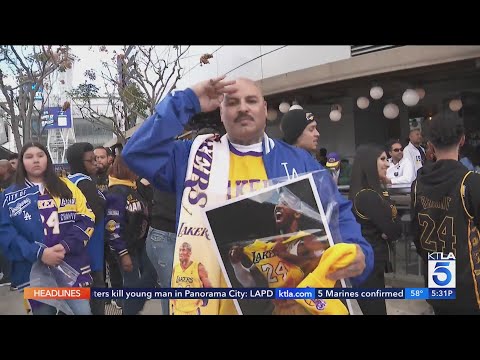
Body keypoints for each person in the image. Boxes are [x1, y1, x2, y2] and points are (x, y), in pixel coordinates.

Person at [122, 75, 373, 314]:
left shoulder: (298, 161)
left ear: (264, 109)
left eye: (251, 101)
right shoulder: (190, 156)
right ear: (221, 112)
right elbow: (136, 153)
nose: (243, 108)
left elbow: (337, 212)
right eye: (232, 102)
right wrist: (187, 100)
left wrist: (359, 251)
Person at [0, 142, 95, 315]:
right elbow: (6, 233)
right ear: (22, 162)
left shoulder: (68, 187)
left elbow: (87, 218)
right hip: (32, 273)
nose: (35, 160)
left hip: (72, 267)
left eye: (40, 155)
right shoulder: (8, 196)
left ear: (47, 159)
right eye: (29, 157)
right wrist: (40, 253)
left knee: (83, 312)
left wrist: (66, 245)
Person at [228, 188, 344, 315]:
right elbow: (250, 282)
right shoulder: (268, 248)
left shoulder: (307, 239)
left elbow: (327, 273)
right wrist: (236, 264)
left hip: (307, 309)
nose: (277, 206)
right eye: (276, 204)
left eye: (284, 203)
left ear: (297, 213)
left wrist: (285, 256)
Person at [411, 112, 480, 315]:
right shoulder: (470, 182)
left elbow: (417, 236)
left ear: (430, 144)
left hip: (437, 274)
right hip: (470, 285)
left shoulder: (418, 184)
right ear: (462, 139)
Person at [349, 144, 402, 315]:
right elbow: (395, 231)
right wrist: (389, 227)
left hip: (371, 262)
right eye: (382, 159)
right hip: (369, 265)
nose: (387, 164)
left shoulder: (372, 192)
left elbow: (392, 228)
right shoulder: (366, 195)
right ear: (368, 163)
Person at [104, 154, 150, 315]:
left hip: (139, 245)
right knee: (132, 287)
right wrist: (123, 254)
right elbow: (112, 227)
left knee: (144, 282)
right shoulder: (116, 192)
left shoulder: (133, 188)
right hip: (125, 247)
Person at [66, 142, 106, 315]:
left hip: (78, 248)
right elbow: (94, 216)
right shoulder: (85, 184)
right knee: (96, 293)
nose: (96, 163)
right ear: (79, 163)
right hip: (91, 249)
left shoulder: (69, 181)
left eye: (96, 158)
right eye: (91, 160)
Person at [171, 242, 212, 315]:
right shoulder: (175, 268)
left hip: (193, 310)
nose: (181, 252)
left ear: (189, 253)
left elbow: (208, 287)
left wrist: (203, 301)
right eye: (180, 250)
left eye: (183, 250)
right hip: (178, 311)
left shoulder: (199, 267)